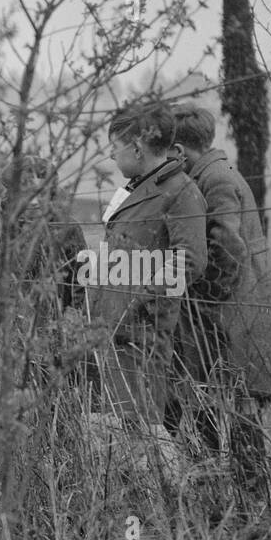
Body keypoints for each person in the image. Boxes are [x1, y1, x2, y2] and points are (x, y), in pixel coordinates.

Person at [170, 104, 271, 495]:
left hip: (240, 307)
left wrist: (202, 300)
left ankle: (251, 494)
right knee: (222, 399)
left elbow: (227, 247)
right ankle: (230, 491)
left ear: (178, 149)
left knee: (239, 404)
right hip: (239, 303)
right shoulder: (210, 173)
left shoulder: (215, 179)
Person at [86, 102, 207, 433]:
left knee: (143, 431)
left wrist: (143, 300)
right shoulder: (142, 186)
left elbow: (190, 259)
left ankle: (161, 483)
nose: (112, 156)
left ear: (137, 148)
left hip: (142, 333)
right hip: (119, 331)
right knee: (122, 432)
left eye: (115, 147)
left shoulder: (179, 191)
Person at [0, 155, 88, 313]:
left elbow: (80, 280)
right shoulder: (12, 225)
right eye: (26, 194)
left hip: (55, 319)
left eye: (40, 194)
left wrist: (73, 314)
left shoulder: (67, 227)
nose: (33, 202)